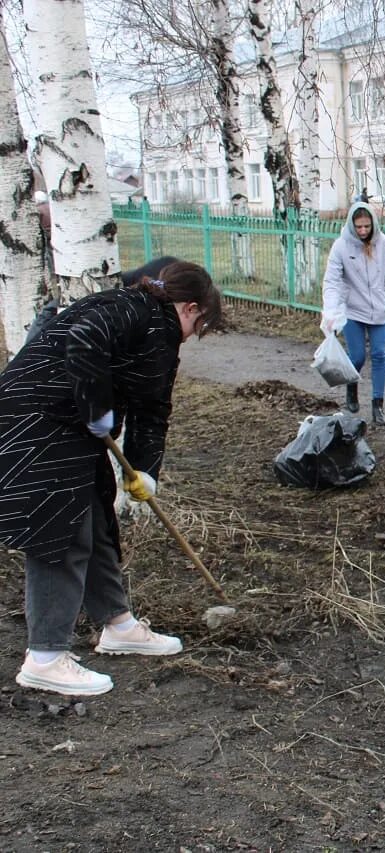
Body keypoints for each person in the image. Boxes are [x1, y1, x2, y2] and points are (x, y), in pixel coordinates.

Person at [0, 260, 223, 696]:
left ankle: (117, 624)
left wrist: (144, 471)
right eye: (202, 324)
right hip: (36, 422)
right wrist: (97, 407)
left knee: (98, 516)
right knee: (58, 529)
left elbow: (152, 409)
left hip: (66, 426)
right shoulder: (132, 308)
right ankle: (45, 657)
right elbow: (83, 343)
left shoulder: (157, 333)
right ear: (191, 308)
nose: (197, 334)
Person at [321, 201, 385, 427]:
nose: (363, 231)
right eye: (359, 227)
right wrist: (331, 311)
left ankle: (378, 405)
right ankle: (351, 388)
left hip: (379, 310)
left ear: (373, 224)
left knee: (379, 355)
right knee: (356, 357)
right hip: (353, 310)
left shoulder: (384, 243)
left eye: (367, 226)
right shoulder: (341, 247)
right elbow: (332, 282)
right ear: (351, 225)